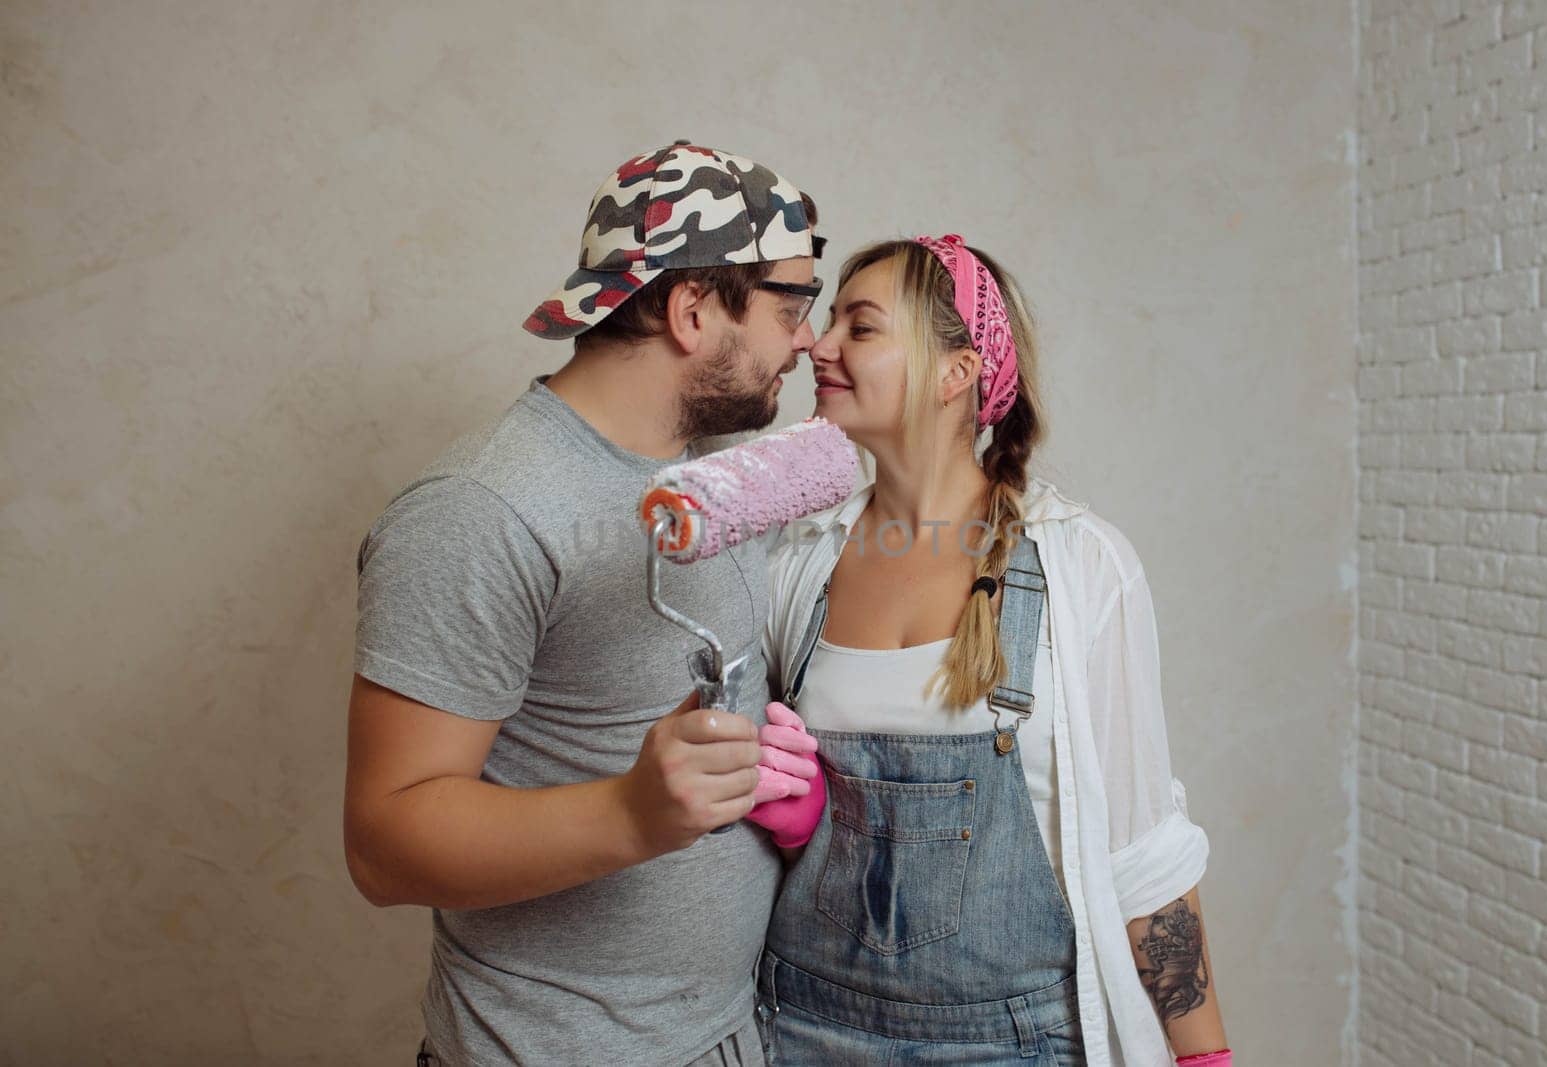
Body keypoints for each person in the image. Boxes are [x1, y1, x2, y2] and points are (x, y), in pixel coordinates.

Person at [343, 140, 825, 1066]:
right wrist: (632, 813)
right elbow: (383, 843)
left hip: (726, 1036)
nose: (806, 339)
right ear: (692, 309)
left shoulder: (708, 483)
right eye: (789, 307)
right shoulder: (482, 510)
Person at [748, 235, 1233, 1065]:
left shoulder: (1082, 566)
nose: (818, 346)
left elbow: (1145, 853)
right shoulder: (798, 556)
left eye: (859, 328)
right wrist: (797, 826)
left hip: (1013, 1046)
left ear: (955, 372)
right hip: (802, 1031)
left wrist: (1205, 1057)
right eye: (827, 322)